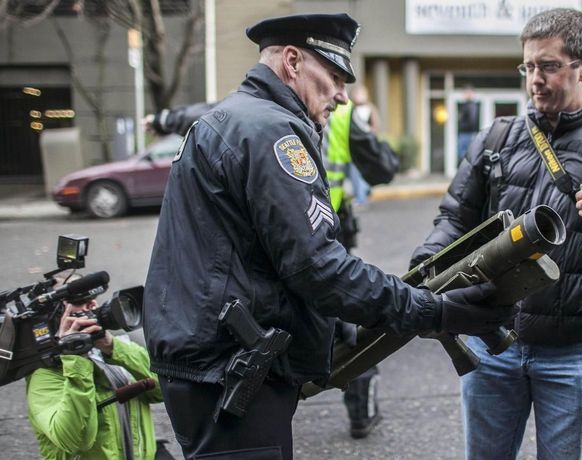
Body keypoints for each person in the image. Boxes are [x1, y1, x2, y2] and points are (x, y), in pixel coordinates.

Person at [143, 12, 513, 459]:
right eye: (335, 76)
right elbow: (316, 266)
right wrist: (433, 311)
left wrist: (330, 320)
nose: (342, 95)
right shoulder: (272, 130)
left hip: (206, 360)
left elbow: (251, 254)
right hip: (227, 366)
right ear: (293, 62)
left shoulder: (233, 117)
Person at [410, 8, 582, 460]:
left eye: (549, 66)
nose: (535, 79)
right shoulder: (496, 140)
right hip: (490, 342)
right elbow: (454, 219)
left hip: (573, 353)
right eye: (528, 66)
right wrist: (425, 266)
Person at [145, 81, 398, 439]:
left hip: (278, 237)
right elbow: (383, 168)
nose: (339, 95)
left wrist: (164, 118)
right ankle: (360, 412)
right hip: (323, 234)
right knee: (346, 312)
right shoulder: (343, 118)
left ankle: (283, 392)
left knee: (306, 303)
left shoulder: (244, 113)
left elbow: (207, 110)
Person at [25, 272, 167, 460]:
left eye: (93, 298)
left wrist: (113, 348)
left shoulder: (112, 349)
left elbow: (163, 389)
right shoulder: (44, 376)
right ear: (56, 316)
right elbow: (76, 440)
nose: (93, 305)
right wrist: (76, 359)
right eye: (81, 301)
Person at [457, 84, 479, 162]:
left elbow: (472, 121)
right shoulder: (465, 105)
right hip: (465, 133)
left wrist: (471, 132)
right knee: (463, 155)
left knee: (465, 156)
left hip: (467, 134)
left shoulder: (471, 106)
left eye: (467, 93)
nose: (465, 94)